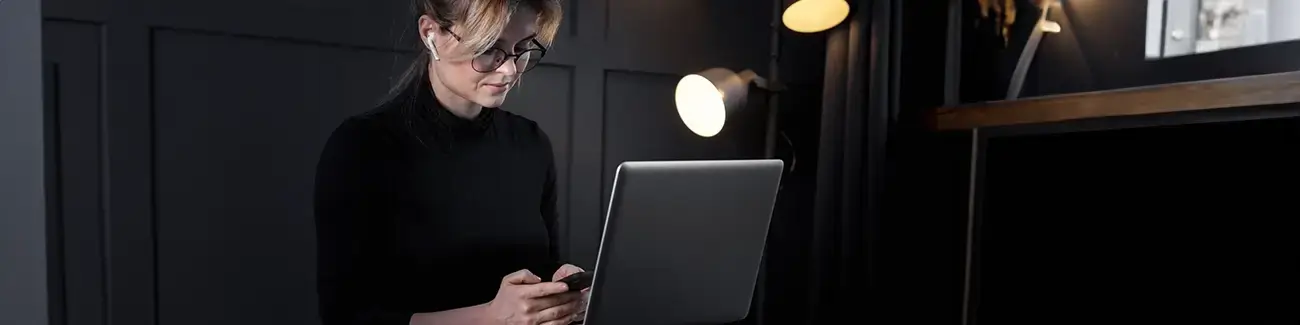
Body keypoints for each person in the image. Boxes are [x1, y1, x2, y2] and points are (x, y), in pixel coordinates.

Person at [312, 0, 585, 324]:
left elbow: (542, 269)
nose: (510, 69)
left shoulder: (531, 144)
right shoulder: (362, 148)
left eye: (523, 47)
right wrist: (490, 318)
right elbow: (346, 317)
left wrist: (563, 290)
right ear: (431, 34)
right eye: (488, 48)